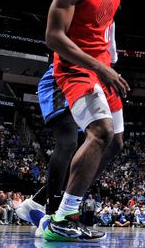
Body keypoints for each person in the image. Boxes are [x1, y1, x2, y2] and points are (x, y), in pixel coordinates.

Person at [42, 0, 130, 242]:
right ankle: (64, 216)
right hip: (75, 68)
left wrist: (111, 63)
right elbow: (53, 37)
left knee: (116, 142)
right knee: (100, 133)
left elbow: (105, 27)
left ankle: (65, 203)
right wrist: (100, 67)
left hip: (104, 67)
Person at [18, 23, 124, 237]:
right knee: (68, 142)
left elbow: (110, 58)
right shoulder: (82, 3)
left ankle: (37, 203)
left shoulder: (110, 19)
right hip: (64, 76)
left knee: (112, 144)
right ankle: (51, 214)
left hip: (95, 78)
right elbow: (57, 39)